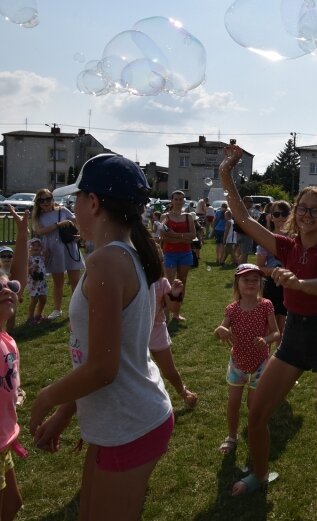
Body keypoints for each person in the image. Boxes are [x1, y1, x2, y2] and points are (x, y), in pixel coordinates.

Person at [218, 144, 317, 513]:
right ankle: (259, 473)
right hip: (294, 339)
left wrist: (300, 284)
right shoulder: (285, 246)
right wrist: (226, 173)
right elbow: (244, 220)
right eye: (301, 208)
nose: (305, 214)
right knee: (257, 415)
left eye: (314, 210)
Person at [29, 154, 173, 520]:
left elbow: (103, 369)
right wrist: (66, 414)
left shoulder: (108, 262)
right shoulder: (122, 255)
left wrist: (46, 398)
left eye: (75, 199)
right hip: (120, 419)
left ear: (93, 203)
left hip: (130, 423)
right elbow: (107, 357)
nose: (71, 208)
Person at [214, 263, 280, 456]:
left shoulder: (266, 305)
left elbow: (276, 332)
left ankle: (254, 435)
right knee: (233, 404)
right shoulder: (232, 309)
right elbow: (219, 331)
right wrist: (221, 330)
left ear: (261, 283)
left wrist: (266, 339)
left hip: (260, 364)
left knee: (254, 407)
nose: (251, 283)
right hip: (237, 364)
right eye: (246, 280)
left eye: (255, 280)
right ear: (237, 283)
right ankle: (232, 436)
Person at [32, 188, 83, 320]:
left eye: (48, 199)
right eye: (42, 200)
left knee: (75, 281)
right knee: (58, 282)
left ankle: (77, 309)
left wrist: (79, 234)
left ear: (53, 199)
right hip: (53, 250)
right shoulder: (38, 217)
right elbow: (40, 231)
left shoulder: (62, 210)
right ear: (38, 202)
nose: (45, 202)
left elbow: (77, 222)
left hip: (69, 247)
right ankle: (57, 309)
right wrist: (59, 224)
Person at [150, 276, 198, 408]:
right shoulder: (129, 277)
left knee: (169, 370)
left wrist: (175, 295)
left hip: (156, 327)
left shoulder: (161, 282)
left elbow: (173, 309)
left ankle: (183, 392)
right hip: (133, 330)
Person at [0, 274, 24, 521]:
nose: (7, 290)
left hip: (4, 438)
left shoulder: (7, 339)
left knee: (12, 503)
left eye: (10, 286)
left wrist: (15, 394)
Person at [256, 200, 293, 336]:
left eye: (284, 213)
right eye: (276, 214)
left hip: (292, 285)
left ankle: (279, 356)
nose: (281, 218)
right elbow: (259, 267)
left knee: (284, 327)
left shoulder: (297, 238)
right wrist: (274, 271)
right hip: (273, 285)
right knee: (270, 327)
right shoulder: (266, 238)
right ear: (271, 216)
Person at [160, 190, 196, 321]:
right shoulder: (165, 216)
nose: (179, 201)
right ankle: (166, 314)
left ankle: (176, 313)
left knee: (182, 283)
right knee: (168, 284)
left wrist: (174, 234)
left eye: (181, 199)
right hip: (169, 253)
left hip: (185, 253)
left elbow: (193, 236)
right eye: (176, 199)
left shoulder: (188, 216)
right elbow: (164, 236)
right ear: (171, 200)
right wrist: (183, 238)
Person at [26, 238, 47, 325]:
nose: (36, 247)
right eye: (33, 245)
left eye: (38, 245)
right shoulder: (29, 258)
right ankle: (30, 317)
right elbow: (26, 269)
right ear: (29, 248)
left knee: (43, 298)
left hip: (42, 281)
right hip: (33, 282)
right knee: (34, 299)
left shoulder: (42, 257)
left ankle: (38, 314)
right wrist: (31, 268)